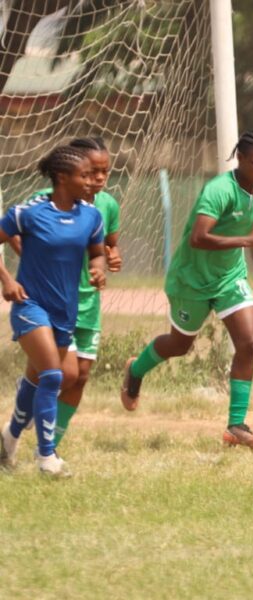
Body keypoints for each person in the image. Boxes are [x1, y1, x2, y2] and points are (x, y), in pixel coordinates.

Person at [120, 130, 253, 448]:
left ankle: (236, 426)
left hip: (230, 277)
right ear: (241, 159)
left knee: (248, 342)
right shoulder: (218, 190)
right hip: (191, 279)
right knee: (180, 345)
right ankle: (135, 369)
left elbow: (246, 227)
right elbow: (199, 237)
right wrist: (249, 241)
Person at [0, 145, 105, 476]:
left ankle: (8, 439)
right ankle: (47, 459)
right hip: (29, 306)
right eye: (84, 175)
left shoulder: (91, 215)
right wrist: (6, 280)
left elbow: (97, 251)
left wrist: (99, 267)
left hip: (65, 311)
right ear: (62, 178)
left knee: (47, 377)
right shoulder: (28, 213)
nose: (92, 182)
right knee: (52, 375)